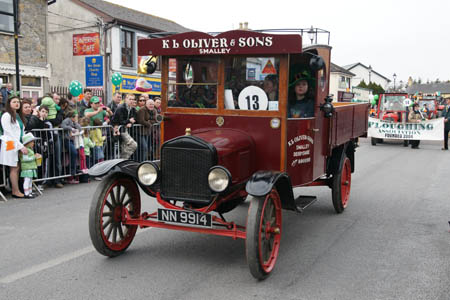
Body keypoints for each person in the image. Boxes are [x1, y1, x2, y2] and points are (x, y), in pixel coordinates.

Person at [0, 96, 28, 198]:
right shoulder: (6, 115)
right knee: (14, 167)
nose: (17, 104)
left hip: (17, 143)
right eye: (14, 102)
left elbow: (21, 131)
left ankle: (17, 189)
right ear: (9, 103)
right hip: (10, 144)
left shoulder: (18, 116)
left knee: (17, 167)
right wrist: (20, 146)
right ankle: (15, 191)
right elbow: (9, 133)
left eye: (18, 102)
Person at [61, 110, 82, 183]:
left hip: (72, 140)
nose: (77, 117)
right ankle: (72, 171)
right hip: (67, 140)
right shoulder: (67, 120)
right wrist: (71, 128)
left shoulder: (74, 122)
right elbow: (63, 126)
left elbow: (80, 128)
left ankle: (73, 170)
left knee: (74, 154)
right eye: (76, 116)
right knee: (74, 153)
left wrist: (75, 124)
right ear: (72, 116)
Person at [19, 132, 41, 198]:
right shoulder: (25, 150)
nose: (33, 143)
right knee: (27, 180)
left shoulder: (29, 150)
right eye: (32, 142)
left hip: (30, 167)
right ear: (27, 143)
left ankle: (30, 192)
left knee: (30, 180)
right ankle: (26, 193)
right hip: (27, 168)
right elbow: (25, 159)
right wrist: (34, 157)